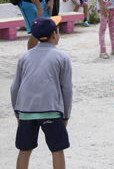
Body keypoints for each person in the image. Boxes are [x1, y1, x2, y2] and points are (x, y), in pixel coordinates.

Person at [11, 16, 73, 169]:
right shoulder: (62, 58)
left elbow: (14, 88)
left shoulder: (24, 57)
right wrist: (65, 115)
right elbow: (67, 89)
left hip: (26, 111)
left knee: (24, 150)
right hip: (52, 112)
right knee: (57, 150)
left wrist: (18, 113)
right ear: (54, 34)